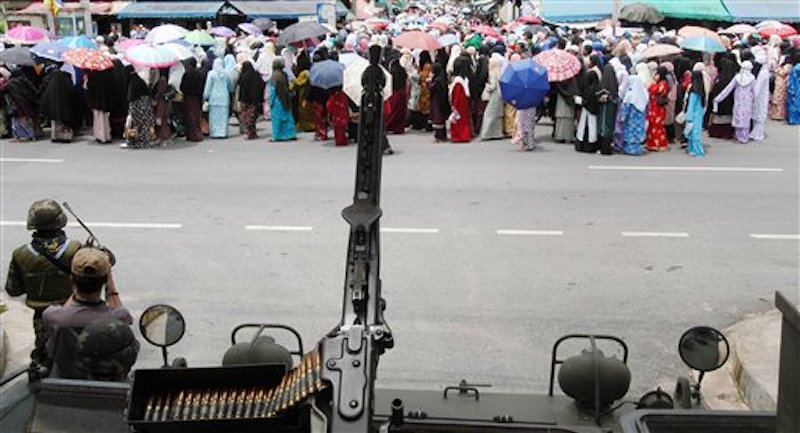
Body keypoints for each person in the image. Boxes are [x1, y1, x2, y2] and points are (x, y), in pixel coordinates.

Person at [5, 200, 82, 380]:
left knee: (43, 359)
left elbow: (13, 290)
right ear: (60, 221)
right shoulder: (75, 249)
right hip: (73, 313)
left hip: (41, 317)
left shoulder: (21, 254)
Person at [43, 247, 138, 381]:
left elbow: (67, 311)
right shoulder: (119, 317)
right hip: (108, 388)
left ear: (72, 279)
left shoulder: (53, 316)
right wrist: (110, 283)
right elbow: (121, 314)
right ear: (105, 280)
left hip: (65, 386)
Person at [713, 61, 756, 143]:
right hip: (748, 100)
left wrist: (718, 98)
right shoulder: (752, 78)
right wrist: (755, 101)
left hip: (738, 100)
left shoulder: (737, 77)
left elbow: (728, 89)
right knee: (746, 116)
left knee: (738, 115)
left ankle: (738, 135)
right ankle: (744, 136)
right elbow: (754, 91)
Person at [40, 66, 78, 143]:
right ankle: (65, 137)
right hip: (64, 105)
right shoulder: (66, 78)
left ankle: (55, 136)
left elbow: (45, 93)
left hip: (53, 105)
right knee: (64, 122)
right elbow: (71, 91)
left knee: (55, 122)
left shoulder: (50, 80)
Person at [5, 66, 42, 141]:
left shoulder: (9, 83)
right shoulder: (25, 80)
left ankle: (23, 135)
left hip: (16, 104)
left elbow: (4, 90)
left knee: (17, 121)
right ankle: (31, 135)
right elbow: (33, 90)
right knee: (26, 120)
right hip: (26, 103)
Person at [125, 68, 156, 148]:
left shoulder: (132, 82)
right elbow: (146, 93)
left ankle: (134, 140)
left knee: (135, 124)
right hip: (142, 105)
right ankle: (143, 141)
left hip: (135, 106)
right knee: (143, 124)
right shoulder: (140, 81)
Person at [267, 58, 296, 141]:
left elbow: (272, 90)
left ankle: (277, 136)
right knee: (287, 117)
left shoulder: (274, 76)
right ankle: (290, 134)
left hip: (277, 100)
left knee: (277, 120)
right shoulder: (284, 74)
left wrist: (270, 101)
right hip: (286, 98)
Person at [576, 58, 601, 153]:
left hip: (586, 110)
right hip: (593, 111)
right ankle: (591, 145)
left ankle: (582, 144)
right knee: (592, 127)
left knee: (583, 126)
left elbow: (585, 100)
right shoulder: (597, 88)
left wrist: (580, 101)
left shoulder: (588, 90)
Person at [204, 58, 232, 139]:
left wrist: (206, 96)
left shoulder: (211, 74)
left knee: (214, 117)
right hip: (224, 97)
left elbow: (208, 87)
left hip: (214, 98)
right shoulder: (226, 74)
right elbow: (230, 86)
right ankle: (223, 132)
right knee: (223, 116)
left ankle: (215, 133)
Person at [708, 58, 736, 139]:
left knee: (719, 118)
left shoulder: (719, 79)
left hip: (720, 103)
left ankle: (716, 132)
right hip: (730, 103)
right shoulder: (733, 79)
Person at [621, 74, 648, 156]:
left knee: (630, 134)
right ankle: (638, 149)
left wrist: (623, 117)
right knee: (638, 134)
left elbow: (626, 108)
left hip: (631, 120)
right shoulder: (644, 94)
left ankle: (630, 150)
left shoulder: (630, 95)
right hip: (640, 119)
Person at [237, 61, 265, 139]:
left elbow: (242, 89)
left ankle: (250, 133)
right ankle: (253, 132)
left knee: (247, 117)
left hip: (246, 100)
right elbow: (262, 85)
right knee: (252, 117)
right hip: (255, 100)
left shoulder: (244, 76)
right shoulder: (256, 75)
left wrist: (240, 100)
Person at [480, 55, 504, 140]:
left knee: (489, 114)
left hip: (494, 95)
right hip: (500, 95)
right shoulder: (500, 72)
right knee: (497, 115)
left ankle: (486, 134)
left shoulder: (492, 73)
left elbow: (492, 86)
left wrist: (487, 87)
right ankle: (497, 133)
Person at [180, 58, 204, 142]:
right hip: (197, 97)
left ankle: (192, 134)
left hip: (189, 97)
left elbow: (182, 86)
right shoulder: (199, 73)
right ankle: (197, 133)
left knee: (190, 116)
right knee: (196, 116)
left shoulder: (187, 73)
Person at [597, 62, 618, 155]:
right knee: (609, 125)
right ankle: (607, 147)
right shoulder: (614, 83)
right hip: (612, 105)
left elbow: (600, 93)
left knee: (604, 126)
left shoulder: (604, 83)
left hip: (605, 106)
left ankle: (604, 148)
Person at [449, 56, 472, 143]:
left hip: (459, 103)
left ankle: (458, 136)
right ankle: (464, 135)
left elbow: (456, 94)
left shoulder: (457, 80)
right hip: (463, 103)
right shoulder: (463, 79)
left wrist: (454, 105)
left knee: (457, 120)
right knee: (462, 119)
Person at [646, 66, 669, 152]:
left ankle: (658, 144)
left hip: (658, 107)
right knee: (652, 125)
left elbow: (653, 90)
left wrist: (654, 82)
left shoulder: (663, 83)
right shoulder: (662, 82)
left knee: (657, 126)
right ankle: (651, 143)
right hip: (654, 106)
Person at [291, 51, 315, 132]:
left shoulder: (303, 74)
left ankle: (307, 126)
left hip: (303, 93)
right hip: (310, 93)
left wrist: (292, 82)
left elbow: (297, 83)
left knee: (304, 111)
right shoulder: (310, 71)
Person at [86, 69, 112, 143]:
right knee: (105, 119)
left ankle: (100, 136)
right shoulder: (106, 73)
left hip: (96, 99)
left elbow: (89, 88)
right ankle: (106, 135)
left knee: (98, 118)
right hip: (105, 99)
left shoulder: (92, 74)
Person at [685, 71, 706, 157]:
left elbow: (691, 105)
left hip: (692, 114)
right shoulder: (701, 89)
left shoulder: (693, 90)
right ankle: (694, 149)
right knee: (696, 131)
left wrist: (688, 117)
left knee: (693, 133)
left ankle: (696, 150)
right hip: (699, 114)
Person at [750, 51, 770, 141]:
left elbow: (757, 88)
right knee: (759, 113)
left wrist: (753, 96)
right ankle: (756, 133)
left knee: (759, 113)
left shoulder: (763, 73)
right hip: (762, 95)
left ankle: (757, 134)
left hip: (760, 96)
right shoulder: (765, 72)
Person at [553, 76, 579, 143]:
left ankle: (559, 136)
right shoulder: (572, 79)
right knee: (568, 119)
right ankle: (568, 136)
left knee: (561, 119)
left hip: (561, 100)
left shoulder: (558, 80)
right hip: (569, 102)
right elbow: (574, 89)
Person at [429, 63, 450, 142]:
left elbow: (431, 88)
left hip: (437, 101)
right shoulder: (442, 78)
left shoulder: (437, 80)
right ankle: (442, 136)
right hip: (442, 101)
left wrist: (430, 81)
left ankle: (439, 136)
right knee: (441, 118)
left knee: (438, 118)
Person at [412, 51, 433, 130]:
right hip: (425, 89)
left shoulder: (426, 66)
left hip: (425, 89)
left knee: (425, 107)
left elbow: (423, 76)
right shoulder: (428, 65)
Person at [386, 59, 408, 134]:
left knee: (393, 112)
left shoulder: (392, 73)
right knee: (401, 112)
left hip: (394, 93)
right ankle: (399, 128)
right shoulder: (403, 72)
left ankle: (390, 126)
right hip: (402, 93)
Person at [152, 69, 172, 144]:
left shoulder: (161, 81)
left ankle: (162, 137)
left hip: (161, 103)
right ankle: (165, 137)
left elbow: (160, 92)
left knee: (161, 119)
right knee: (164, 120)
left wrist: (155, 99)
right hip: (165, 103)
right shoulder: (165, 80)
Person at [788, 60, 800, 125]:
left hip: (796, 86)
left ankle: (793, 119)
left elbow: (792, 79)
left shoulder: (795, 68)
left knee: (794, 102)